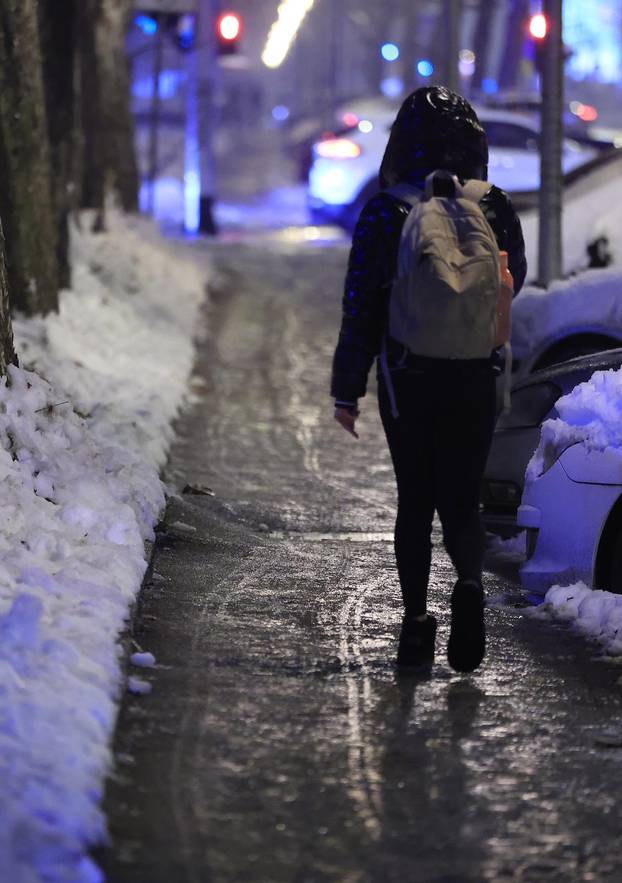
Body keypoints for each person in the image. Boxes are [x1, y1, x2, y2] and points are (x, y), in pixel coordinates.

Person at [331, 86, 527, 673]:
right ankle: (469, 584)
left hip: (408, 376)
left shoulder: (385, 211)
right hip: (477, 375)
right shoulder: (495, 206)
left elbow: (361, 304)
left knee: (416, 500)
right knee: (462, 500)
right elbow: (513, 280)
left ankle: (416, 627)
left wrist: (347, 387)